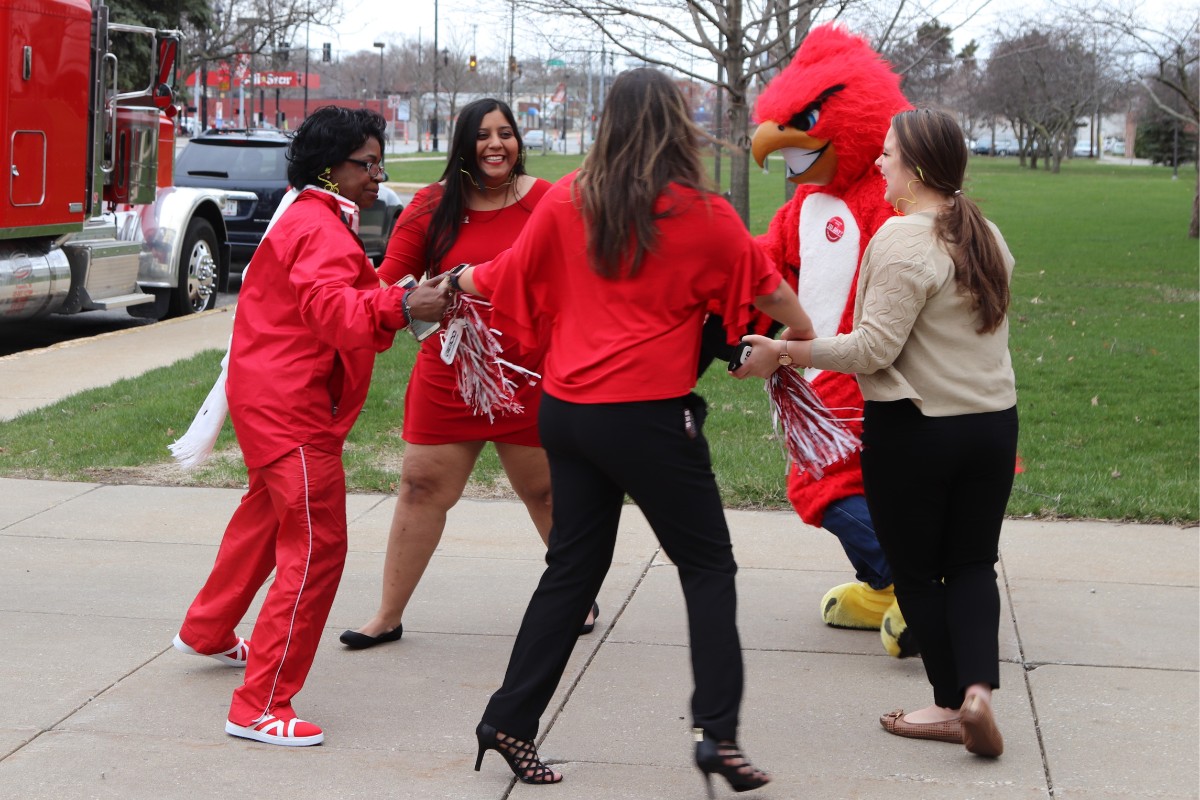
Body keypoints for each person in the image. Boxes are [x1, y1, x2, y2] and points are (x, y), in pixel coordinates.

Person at [453, 68, 816, 791]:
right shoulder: (703, 215)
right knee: (708, 567)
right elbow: (773, 293)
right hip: (649, 421)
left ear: (608, 125)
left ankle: (508, 721)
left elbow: (503, 274)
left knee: (572, 572)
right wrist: (794, 341)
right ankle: (718, 732)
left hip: (567, 416)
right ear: (678, 127)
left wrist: (454, 281)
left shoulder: (565, 201)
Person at [735, 107, 1017, 758]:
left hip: (916, 431)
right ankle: (978, 695)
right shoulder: (987, 236)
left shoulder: (899, 237)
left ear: (917, 169)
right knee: (973, 565)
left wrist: (788, 354)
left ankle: (949, 706)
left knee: (917, 573)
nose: (881, 164)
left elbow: (873, 350)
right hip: (993, 428)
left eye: (889, 155)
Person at [171, 106, 449, 747]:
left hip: (272, 403)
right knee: (319, 548)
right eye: (367, 163)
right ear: (329, 168)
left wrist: (399, 302)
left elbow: (343, 307)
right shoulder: (318, 225)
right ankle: (260, 705)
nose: (378, 175)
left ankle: (207, 628)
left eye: (379, 162)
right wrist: (405, 304)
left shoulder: (309, 215)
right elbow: (335, 313)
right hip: (292, 414)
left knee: (264, 521)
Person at [338, 97, 597, 652]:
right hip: (450, 369)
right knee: (420, 486)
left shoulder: (547, 200)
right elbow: (390, 282)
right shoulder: (434, 204)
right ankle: (386, 615)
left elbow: (584, 272)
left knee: (546, 492)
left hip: (527, 370)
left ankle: (577, 595)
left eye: (505, 133)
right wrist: (403, 297)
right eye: (482, 135)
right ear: (463, 143)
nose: (496, 144)